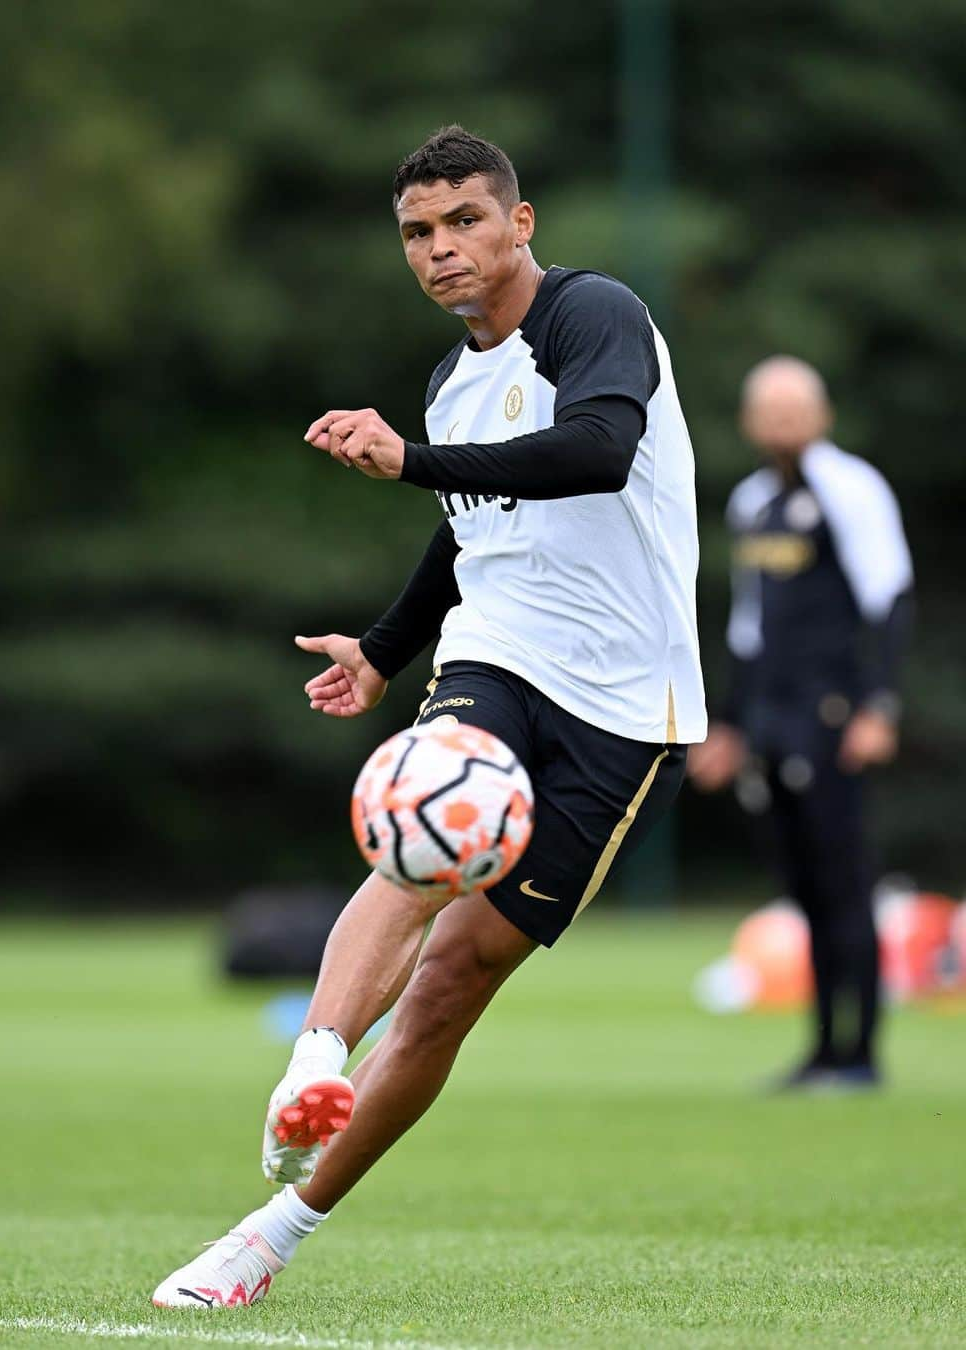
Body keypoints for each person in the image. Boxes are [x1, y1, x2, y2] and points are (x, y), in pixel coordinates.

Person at [153, 125, 706, 1310]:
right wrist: (387, 652)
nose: (444, 248)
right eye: (419, 232)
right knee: (420, 821)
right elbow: (469, 530)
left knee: (455, 981)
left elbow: (601, 450)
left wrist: (409, 458)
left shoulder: (590, 314)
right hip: (499, 654)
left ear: (522, 223)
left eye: (465, 221)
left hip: (627, 707)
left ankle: (274, 1234)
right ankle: (312, 1062)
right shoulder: (455, 384)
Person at [688, 356, 913, 1089]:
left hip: (833, 716)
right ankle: (822, 1049)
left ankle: (863, 1053)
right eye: (768, 409)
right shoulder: (752, 502)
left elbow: (890, 598)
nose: (782, 422)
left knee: (845, 882)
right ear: (750, 421)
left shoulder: (852, 487)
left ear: (823, 415)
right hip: (771, 720)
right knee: (803, 888)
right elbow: (748, 627)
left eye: (795, 407)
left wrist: (878, 706)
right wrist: (727, 724)